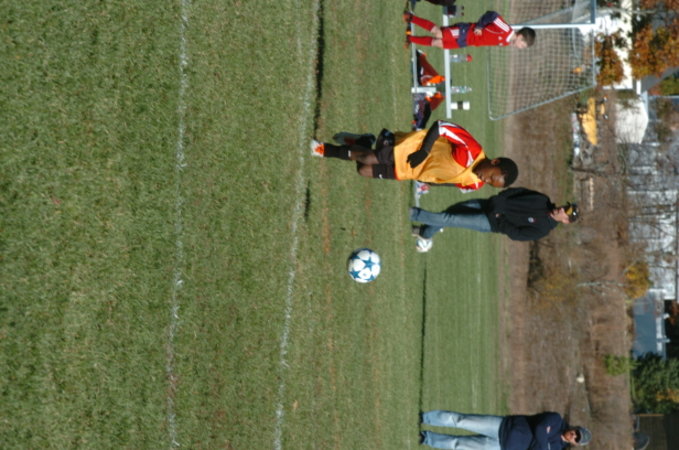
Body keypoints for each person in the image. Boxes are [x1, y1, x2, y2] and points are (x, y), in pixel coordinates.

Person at [310, 120, 518, 191]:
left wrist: (430, 184)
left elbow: (451, 182)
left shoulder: (475, 184)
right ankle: (323, 149)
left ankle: (364, 142)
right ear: (495, 161)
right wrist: (423, 151)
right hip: (411, 150)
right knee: (367, 159)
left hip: (411, 172)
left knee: (363, 170)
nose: (485, 180)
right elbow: (442, 126)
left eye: (490, 183)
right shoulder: (472, 149)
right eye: (491, 176)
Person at [410, 187, 578, 252]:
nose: (562, 209)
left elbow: (516, 234)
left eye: (566, 212)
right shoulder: (542, 199)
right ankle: (426, 232)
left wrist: (500, 218)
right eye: (565, 206)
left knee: (450, 218)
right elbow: (517, 191)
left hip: (490, 222)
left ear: (565, 221)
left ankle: (413, 213)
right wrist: (500, 199)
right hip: (489, 204)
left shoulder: (542, 229)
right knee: (452, 211)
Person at [419, 410, 592, 449]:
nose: (574, 435)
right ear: (574, 427)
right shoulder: (556, 419)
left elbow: (540, 433)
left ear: (575, 444)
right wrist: (540, 444)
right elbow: (540, 427)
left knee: (458, 445)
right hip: (502, 426)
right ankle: (426, 418)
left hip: (501, 447)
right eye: (576, 432)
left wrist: (541, 438)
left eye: (577, 438)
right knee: (461, 420)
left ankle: (427, 438)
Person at [405, 10, 536, 49]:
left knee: (438, 43)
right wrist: (479, 26)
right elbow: (492, 15)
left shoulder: (506, 42)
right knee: (439, 34)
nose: (521, 47)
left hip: (466, 41)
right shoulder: (506, 29)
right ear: (520, 37)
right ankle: (411, 18)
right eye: (523, 45)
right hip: (466, 32)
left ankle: (410, 38)